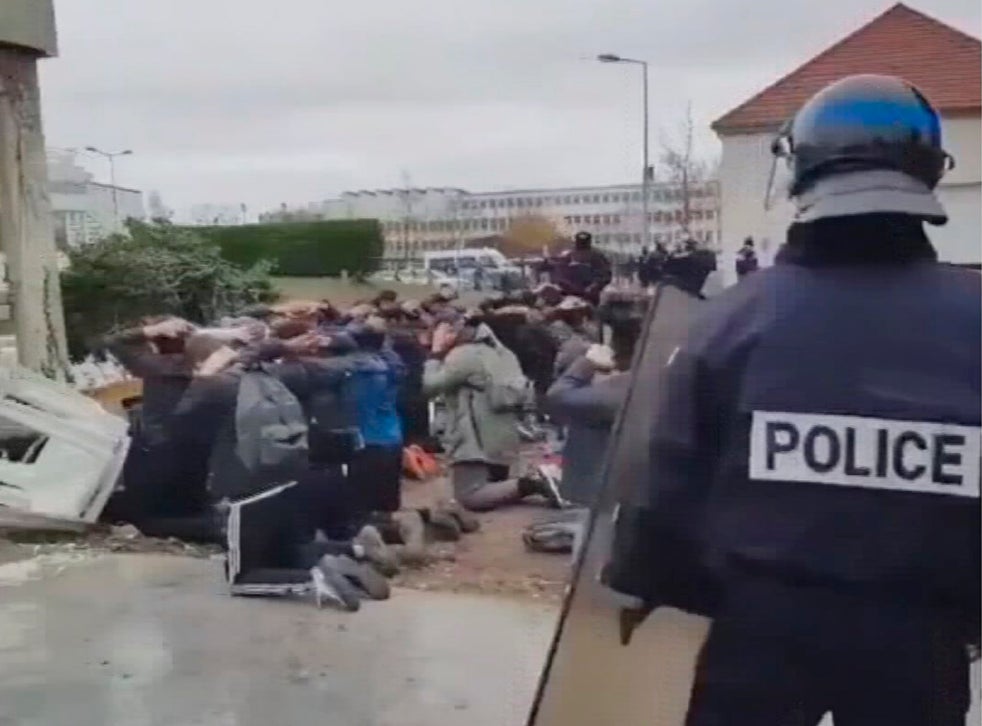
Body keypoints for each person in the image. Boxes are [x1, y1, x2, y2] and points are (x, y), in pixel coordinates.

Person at [642, 74, 978, 725]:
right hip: (921, 644)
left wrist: (676, 588)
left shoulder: (730, 321)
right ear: (931, 170)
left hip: (758, 638)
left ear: (800, 168)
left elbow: (669, 493)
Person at [422, 315, 563, 512]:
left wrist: (435, 354)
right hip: (503, 436)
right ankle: (525, 484)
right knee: (494, 492)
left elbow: (429, 386)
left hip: (474, 437)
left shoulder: (464, 355)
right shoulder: (504, 353)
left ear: (450, 332)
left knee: (469, 497)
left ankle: (533, 482)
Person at [551, 231, 612, 304]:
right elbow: (559, 274)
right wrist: (567, 286)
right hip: (569, 294)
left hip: (590, 295)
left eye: (584, 243)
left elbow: (605, 274)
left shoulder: (597, 256)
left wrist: (595, 286)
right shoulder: (568, 256)